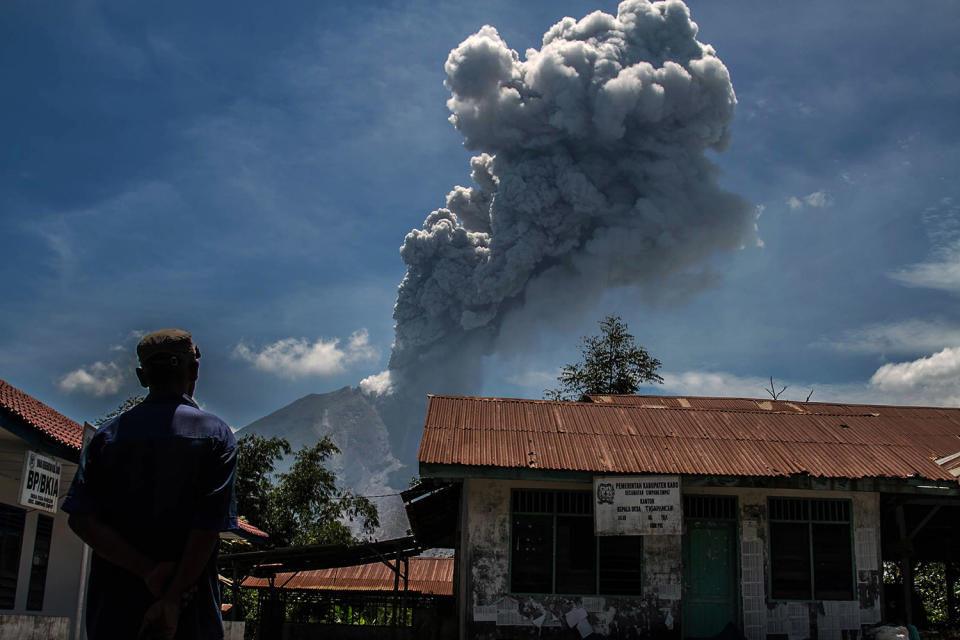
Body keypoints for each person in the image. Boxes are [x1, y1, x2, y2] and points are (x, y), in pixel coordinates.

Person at [64, 329, 238, 640]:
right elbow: (207, 527)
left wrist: (148, 571)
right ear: (194, 370)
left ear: (142, 376)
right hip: (190, 616)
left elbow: (80, 518)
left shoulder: (107, 437)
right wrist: (172, 598)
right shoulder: (215, 435)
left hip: (114, 615)